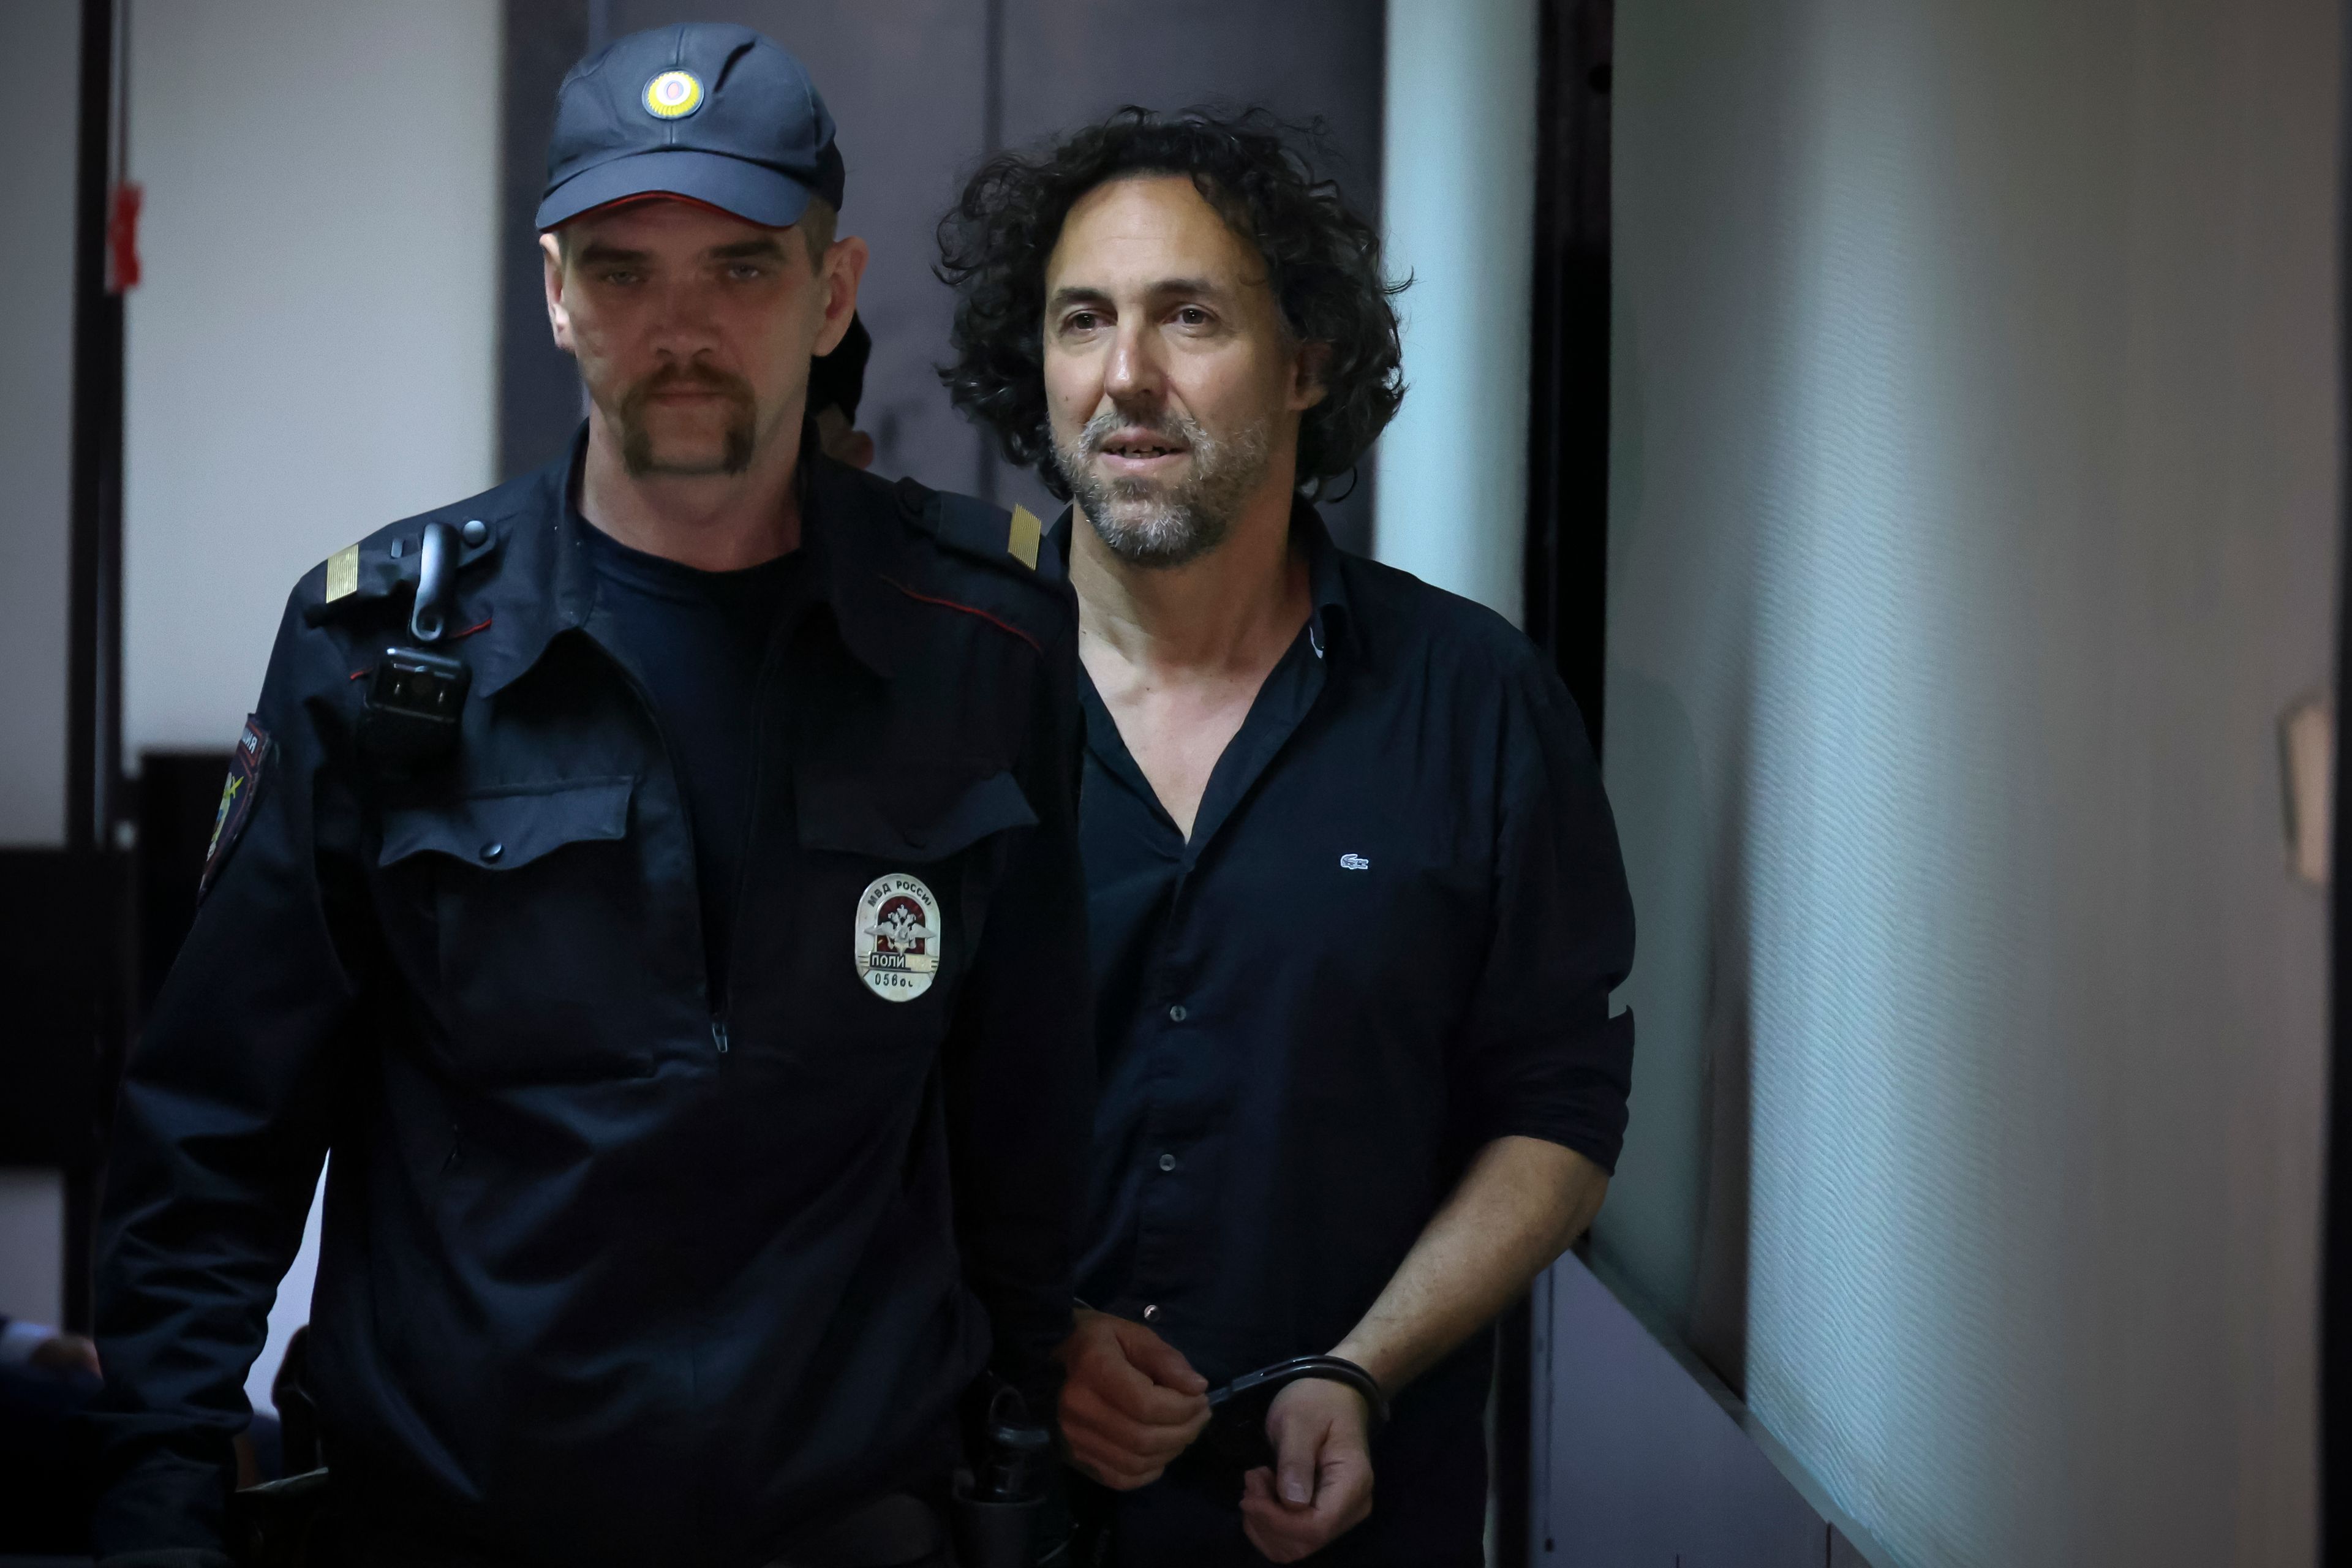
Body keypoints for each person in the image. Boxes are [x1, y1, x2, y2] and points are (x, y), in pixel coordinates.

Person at [89, 23, 1091, 1568]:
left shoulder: (981, 645)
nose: (680, 326)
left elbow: (1024, 1125)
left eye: (743, 269)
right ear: (556, 292)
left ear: (832, 293)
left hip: (846, 1521)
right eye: (624, 271)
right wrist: (158, 1505)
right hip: (446, 1519)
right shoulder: (377, 652)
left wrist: (1041, 1469)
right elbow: (216, 1132)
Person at [938, 110, 1637, 1566]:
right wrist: (1031, 1326)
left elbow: (1558, 1109)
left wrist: (1363, 1361)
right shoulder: (925, 700)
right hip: (970, 1499)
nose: (1127, 375)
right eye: (1084, 322)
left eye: (1189, 316)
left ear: (1310, 362)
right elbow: (818, 1105)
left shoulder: (1477, 701)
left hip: (1349, 1518)